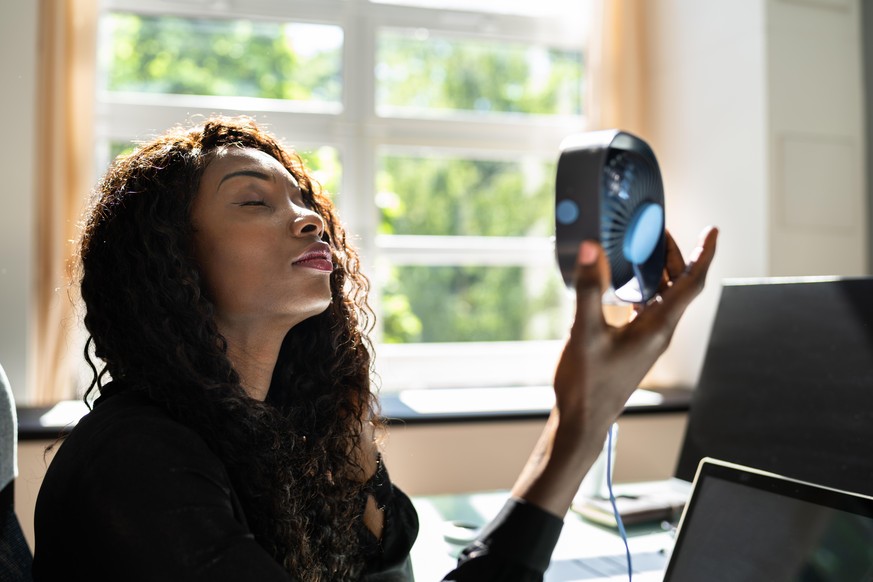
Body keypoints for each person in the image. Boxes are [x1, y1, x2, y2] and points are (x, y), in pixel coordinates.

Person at [32, 116, 717, 581]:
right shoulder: (138, 467)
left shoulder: (288, 432)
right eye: (252, 202)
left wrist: (586, 412)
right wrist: (573, 428)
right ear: (167, 263)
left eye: (303, 198)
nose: (307, 215)